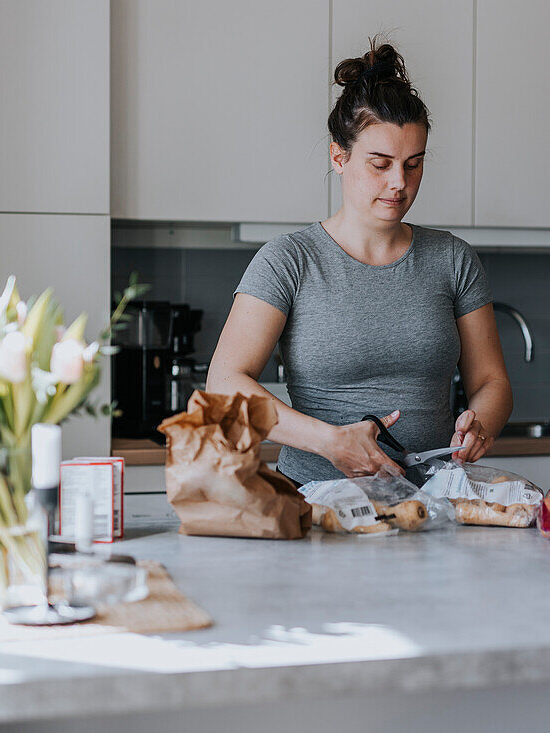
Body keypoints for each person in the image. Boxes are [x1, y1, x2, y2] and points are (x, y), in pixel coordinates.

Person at [207, 39, 512, 485]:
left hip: (430, 504)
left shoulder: (452, 259)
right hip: (314, 503)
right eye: (380, 163)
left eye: (413, 164)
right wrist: (329, 441)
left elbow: (492, 383)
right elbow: (224, 383)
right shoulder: (288, 261)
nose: (399, 183)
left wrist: (482, 421)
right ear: (339, 157)